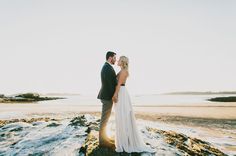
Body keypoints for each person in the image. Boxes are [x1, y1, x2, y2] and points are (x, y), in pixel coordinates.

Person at [113, 56, 155, 153]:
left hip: (121, 93)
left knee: (122, 117)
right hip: (121, 92)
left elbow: (119, 84)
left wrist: (115, 95)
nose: (117, 61)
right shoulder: (122, 70)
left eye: (119, 60)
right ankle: (124, 140)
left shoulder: (124, 71)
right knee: (121, 117)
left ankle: (125, 142)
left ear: (123, 62)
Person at [97, 51, 117, 149]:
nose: (115, 59)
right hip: (107, 97)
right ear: (110, 58)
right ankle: (102, 142)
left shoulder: (107, 67)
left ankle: (104, 138)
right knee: (104, 120)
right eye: (114, 57)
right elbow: (110, 84)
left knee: (105, 119)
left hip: (106, 96)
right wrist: (114, 95)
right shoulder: (107, 68)